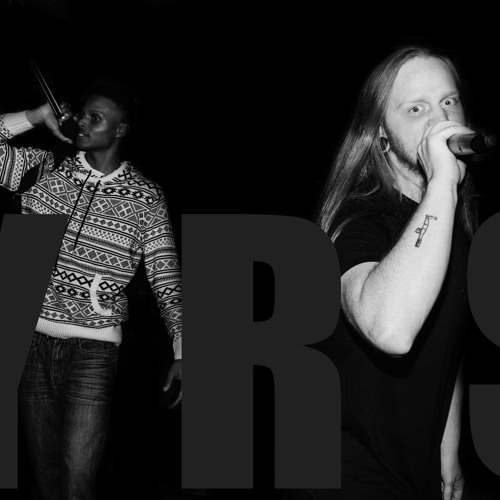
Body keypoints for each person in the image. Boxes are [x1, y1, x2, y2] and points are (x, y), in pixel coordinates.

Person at [288, 44, 479, 500]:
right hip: (340, 470)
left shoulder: (448, 221)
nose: (440, 119)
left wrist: (447, 445)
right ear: (381, 135)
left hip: (410, 467)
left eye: (448, 101)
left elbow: (446, 340)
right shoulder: (355, 219)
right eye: (416, 108)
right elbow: (390, 329)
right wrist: (442, 182)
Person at [0, 82, 182, 499]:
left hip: (93, 350)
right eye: (82, 114)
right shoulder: (46, 169)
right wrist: (35, 115)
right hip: (31, 342)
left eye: (95, 118)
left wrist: (182, 349)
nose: (82, 121)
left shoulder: (146, 198)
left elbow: (166, 274)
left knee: (78, 480)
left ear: (120, 130)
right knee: (45, 480)